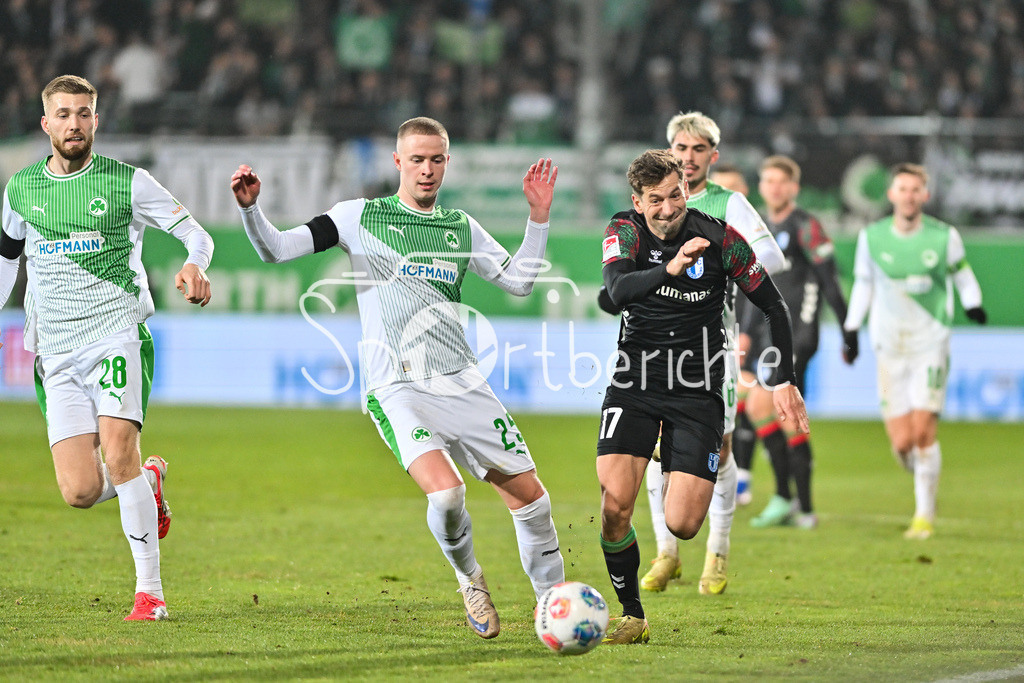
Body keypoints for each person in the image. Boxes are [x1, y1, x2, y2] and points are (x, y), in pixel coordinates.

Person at [229, 116, 564, 639]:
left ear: (447, 162)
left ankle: (554, 609)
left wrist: (537, 218)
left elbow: (520, 282)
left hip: (464, 383)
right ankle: (469, 577)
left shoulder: (461, 226)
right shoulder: (357, 217)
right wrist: (252, 210)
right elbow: (276, 248)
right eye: (417, 160)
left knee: (533, 500)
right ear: (397, 162)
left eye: (436, 160)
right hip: (398, 387)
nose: (427, 170)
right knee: (447, 496)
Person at [0, 75, 214, 621]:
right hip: (54, 351)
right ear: (46, 123)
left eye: (84, 113)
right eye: (64, 114)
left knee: (119, 453)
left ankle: (151, 594)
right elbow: (6, 261)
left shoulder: (127, 183)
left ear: (97, 120)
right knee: (79, 491)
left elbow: (197, 234)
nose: (74, 124)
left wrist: (194, 263)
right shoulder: (20, 189)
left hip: (115, 334)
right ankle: (151, 480)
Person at [596, 149, 807, 644]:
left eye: (675, 195)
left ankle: (675, 462)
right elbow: (617, 289)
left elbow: (774, 306)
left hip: (697, 389)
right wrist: (670, 268)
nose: (668, 208)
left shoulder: (721, 239)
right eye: (656, 200)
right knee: (613, 506)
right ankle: (632, 614)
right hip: (636, 382)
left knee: (683, 523)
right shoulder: (623, 229)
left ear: (686, 189)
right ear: (637, 201)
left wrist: (785, 379)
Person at [641, 112, 785, 596]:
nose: (687, 157)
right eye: (680, 148)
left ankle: (717, 553)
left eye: (698, 149)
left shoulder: (729, 204)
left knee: (718, 448)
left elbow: (774, 258)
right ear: (668, 151)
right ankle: (667, 554)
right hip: (655, 345)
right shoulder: (651, 203)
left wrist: (727, 264)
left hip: (710, 347)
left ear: (712, 156)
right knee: (655, 445)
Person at [843, 163, 985, 540]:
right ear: (891, 194)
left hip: (930, 342)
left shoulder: (943, 236)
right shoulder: (872, 237)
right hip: (889, 345)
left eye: (915, 189)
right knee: (903, 443)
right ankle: (925, 469)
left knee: (923, 431)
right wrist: (851, 327)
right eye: (902, 189)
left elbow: (963, 274)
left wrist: (973, 303)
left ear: (925, 195)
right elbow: (863, 284)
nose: (908, 196)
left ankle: (924, 513)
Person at [742, 155, 855, 529]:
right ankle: (795, 503)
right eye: (768, 180)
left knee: (763, 402)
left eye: (781, 181)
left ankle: (790, 500)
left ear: (794, 188)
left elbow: (829, 282)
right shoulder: (755, 227)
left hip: (797, 331)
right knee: (770, 412)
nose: (774, 187)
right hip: (766, 331)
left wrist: (848, 329)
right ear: (761, 186)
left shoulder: (806, 226)